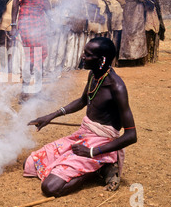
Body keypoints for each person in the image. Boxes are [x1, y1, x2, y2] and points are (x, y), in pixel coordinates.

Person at [24, 37, 137, 197]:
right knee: (30, 163)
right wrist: (51, 116)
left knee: (50, 187)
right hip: (83, 136)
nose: (82, 57)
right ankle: (96, 166)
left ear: (102, 59)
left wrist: (92, 152)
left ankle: (97, 169)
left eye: (88, 54)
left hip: (100, 143)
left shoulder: (116, 87)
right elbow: (83, 100)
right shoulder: (94, 75)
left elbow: (131, 135)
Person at [10, 0, 50, 103]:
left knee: (40, 57)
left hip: (40, 18)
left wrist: (53, 18)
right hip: (26, 18)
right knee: (31, 57)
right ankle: (25, 93)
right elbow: (15, 1)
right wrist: (13, 25)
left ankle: (38, 90)